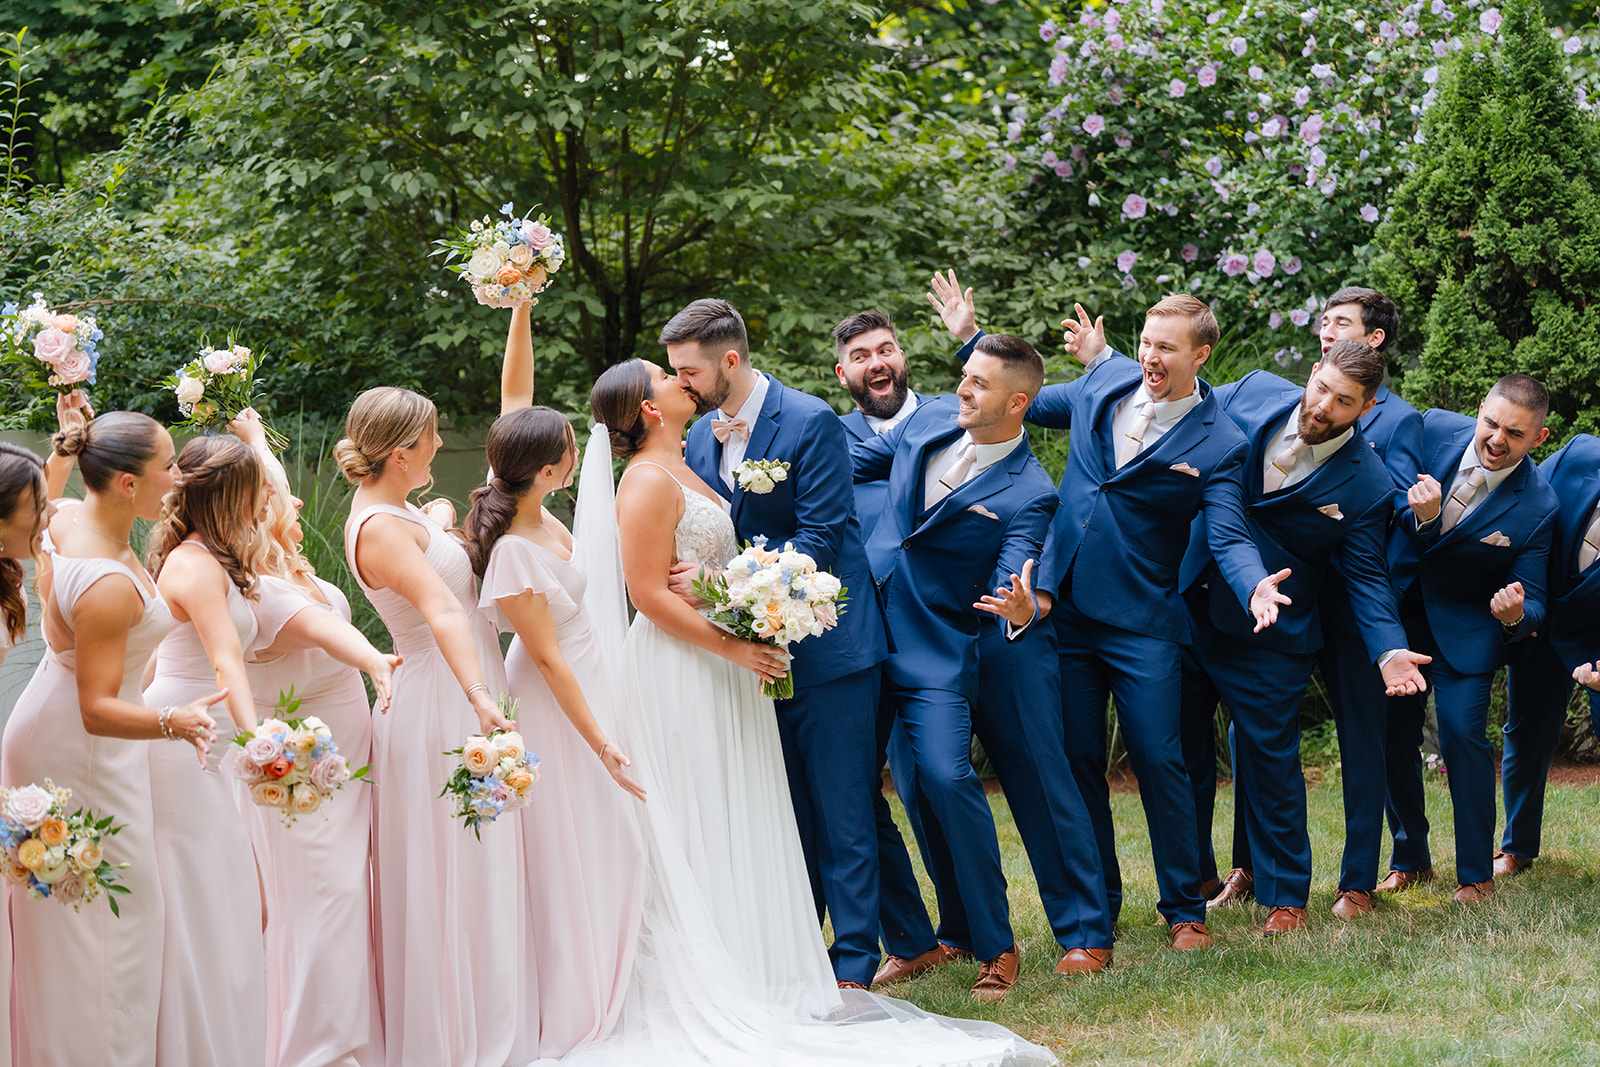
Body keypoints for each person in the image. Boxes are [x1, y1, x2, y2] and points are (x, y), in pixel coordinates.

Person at [554, 355, 1052, 1066]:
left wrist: (737, 602)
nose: (676, 378)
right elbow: (648, 595)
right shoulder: (643, 481)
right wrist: (736, 645)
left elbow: (736, 557)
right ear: (650, 409)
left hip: (739, 665)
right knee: (697, 812)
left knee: (752, 807)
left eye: (678, 367)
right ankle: (718, 966)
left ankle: (777, 953)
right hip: (685, 670)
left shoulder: (694, 458)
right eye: (662, 375)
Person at [1016, 290, 1288, 951]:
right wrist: (972, 340)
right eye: (1145, 340)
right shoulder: (1104, 382)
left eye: (1166, 346)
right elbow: (1018, 399)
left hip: (1143, 619)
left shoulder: (1222, 442)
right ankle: (1095, 904)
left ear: (1201, 353)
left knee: (1161, 759)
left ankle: (1183, 908)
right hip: (1067, 606)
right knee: (1079, 758)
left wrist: (1254, 584)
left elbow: (1226, 532)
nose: (1149, 356)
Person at [670, 299, 890, 990]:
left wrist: (720, 582)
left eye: (688, 371)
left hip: (829, 648)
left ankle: (854, 960)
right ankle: (799, 946)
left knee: (845, 808)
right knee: (787, 808)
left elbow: (820, 540)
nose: (680, 384)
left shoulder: (810, 420)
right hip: (752, 653)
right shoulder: (700, 437)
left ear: (728, 361)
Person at [1174, 342, 1430, 935]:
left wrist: (1389, 649)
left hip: (1275, 634)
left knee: (1273, 765)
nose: (1324, 407)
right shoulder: (1251, 392)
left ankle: (1287, 897)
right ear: (1312, 374)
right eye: (1323, 389)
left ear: (1364, 408)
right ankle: (1186, 893)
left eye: (1343, 402)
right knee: (1180, 757)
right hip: (1191, 601)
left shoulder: (1368, 482)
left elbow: (1366, 575)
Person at [3, 413, 222, 1067]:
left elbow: (34, 500)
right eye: (166, 466)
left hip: (65, 733)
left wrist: (63, 450)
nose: (177, 476)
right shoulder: (106, 585)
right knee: (112, 920)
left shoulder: (63, 521)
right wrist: (173, 721)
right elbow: (97, 707)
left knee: (86, 916)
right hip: (85, 747)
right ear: (127, 483)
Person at [849, 329, 1063, 999]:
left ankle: (997, 944)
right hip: (857, 631)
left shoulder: (1032, 490)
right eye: (964, 374)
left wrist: (1020, 608)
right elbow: (856, 455)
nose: (962, 387)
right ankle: (911, 940)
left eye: (979, 383)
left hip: (936, 651)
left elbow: (1013, 578)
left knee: (945, 776)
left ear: (1018, 402)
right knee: (847, 787)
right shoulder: (934, 415)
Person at [464, 304, 647, 1059]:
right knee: (590, 840)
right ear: (549, 469)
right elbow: (546, 659)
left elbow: (517, 393)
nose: (580, 448)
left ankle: (624, 963)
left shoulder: (523, 489)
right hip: (558, 703)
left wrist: (520, 309)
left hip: (590, 679)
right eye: (571, 446)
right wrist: (600, 741)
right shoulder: (511, 550)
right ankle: (580, 983)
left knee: (617, 839)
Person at [339, 386, 523, 1066]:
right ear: (398, 453)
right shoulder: (383, 528)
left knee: (479, 856)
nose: (441, 445)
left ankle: (493, 1008)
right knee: (456, 862)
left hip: (457, 686)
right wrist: (478, 691)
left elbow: (428, 527)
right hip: (442, 697)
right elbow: (443, 610)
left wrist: (440, 513)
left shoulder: (396, 511)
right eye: (433, 437)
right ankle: (457, 1033)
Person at [231, 411, 398, 1067]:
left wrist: (254, 438)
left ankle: (343, 1032)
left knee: (345, 891)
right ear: (260, 516)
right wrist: (378, 661)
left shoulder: (290, 564)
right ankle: (319, 1049)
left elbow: (271, 482)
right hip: (303, 769)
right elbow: (333, 635)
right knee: (326, 896)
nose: (294, 497)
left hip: (346, 756)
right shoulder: (259, 588)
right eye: (280, 497)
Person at [1381, 374, 1560, 903]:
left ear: (1539, 439)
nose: (1497, 440)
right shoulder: (1431, 429)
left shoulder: (1539, 504)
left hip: (1469, 630)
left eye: (1515, 433)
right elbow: (1385, 495)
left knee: (1463, 738)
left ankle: (1476, 873)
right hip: (1401, 617)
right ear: (1479, 408)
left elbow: (1537, 604)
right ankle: (1410, 857)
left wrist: (1514, 615)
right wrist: (1423, 518)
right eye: (1491, 423)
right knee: (1392, 735)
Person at [143, 433, 271, 1067]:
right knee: (207, 901)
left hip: (207, 740)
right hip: (184, 746)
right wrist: (266, 745)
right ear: (229, 495)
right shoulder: (193, 566)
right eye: (254, 489)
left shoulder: (213, 559)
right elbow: (227, 664)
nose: (263, 500)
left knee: (234, 899)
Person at [1496, 432, 1600, 875]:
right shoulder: (1579, 454)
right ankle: (1517, 848)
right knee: (1527, 731)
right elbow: (1527, 508)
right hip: (1541, 619)